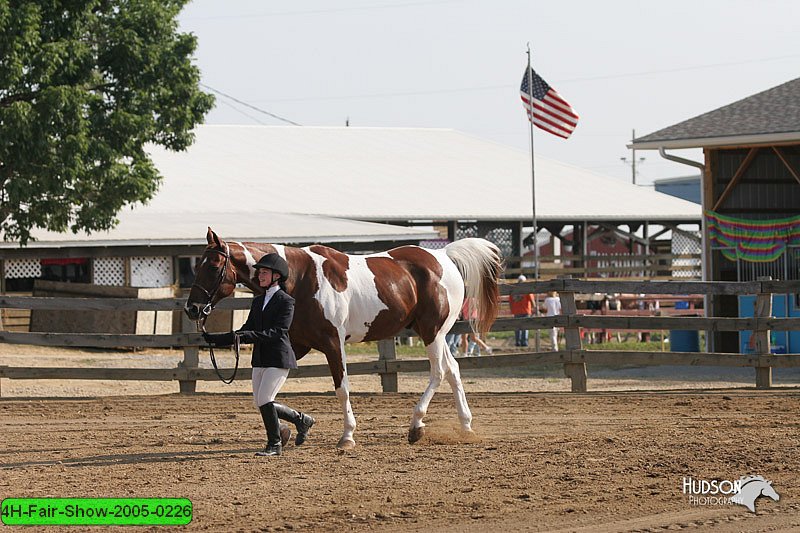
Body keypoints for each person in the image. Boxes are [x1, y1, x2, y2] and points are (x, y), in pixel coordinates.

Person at [203, 253, 314, 457]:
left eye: (264, 272)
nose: (259, 276)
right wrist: (216, 339)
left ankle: (275, 444)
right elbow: (247, 329)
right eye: (260, 272)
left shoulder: (286, 301)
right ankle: (300, 420)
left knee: (265, 399)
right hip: (261, 358)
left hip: (279, 357)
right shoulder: (258, 301)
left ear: (276, 276)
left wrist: (246, 335)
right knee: (260, 402)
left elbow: (278, 332)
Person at [509, 274, 535, 347]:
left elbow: (510, 300)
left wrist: (511, 309)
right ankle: (524, 342)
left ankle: (518, 341)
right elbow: (532, 300)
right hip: (526, 310)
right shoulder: (526, 289)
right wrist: (534, 308)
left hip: (516, 311)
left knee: (517, 327)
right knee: (525, 327)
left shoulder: (514, 289)